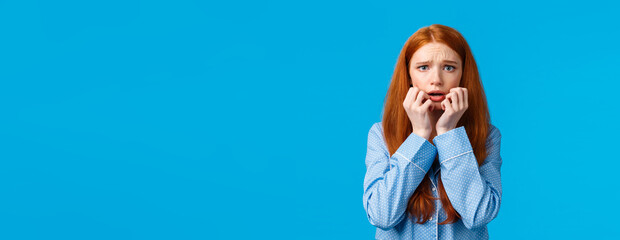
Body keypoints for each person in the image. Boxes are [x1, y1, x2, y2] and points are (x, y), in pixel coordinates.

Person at [362, 24, 503, 239]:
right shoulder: (380, 134)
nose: (436, 79)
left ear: (463, 75)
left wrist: (449, 133)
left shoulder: (487, 137)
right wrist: (419, 135)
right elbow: (382, 215)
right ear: (408, 75)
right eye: (423, 67)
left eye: (449, 67)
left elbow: (478, 215)